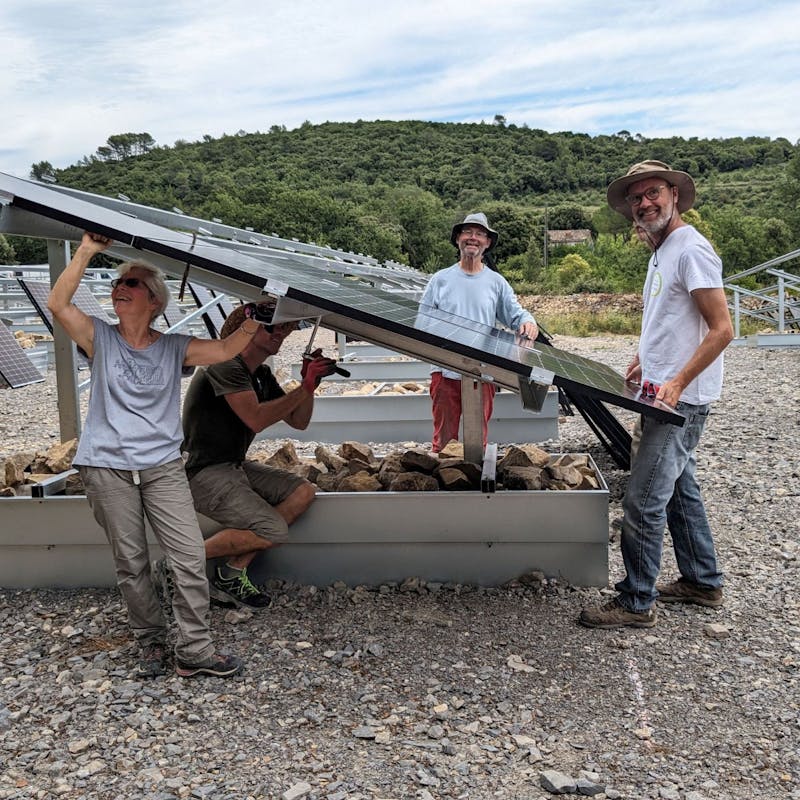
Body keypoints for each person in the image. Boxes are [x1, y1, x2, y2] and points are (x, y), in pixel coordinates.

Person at [47, 231, 266, 679]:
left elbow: (226, 349)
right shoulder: (99, 338)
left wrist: (253, 318)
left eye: (132, 283)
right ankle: (150, 641)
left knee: (187, 555)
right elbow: (58, 304)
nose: (120, 288)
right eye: (118, 283)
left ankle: (194, 650)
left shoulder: (173, 347)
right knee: (131, 562)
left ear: (154, 301)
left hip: (162, 467)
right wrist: (87, 250)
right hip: (106, 466)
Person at [580, 161, 734, 629]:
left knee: (643, 500)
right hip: (658, 392)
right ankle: (702, 581)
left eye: (653, 193)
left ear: (674, 194)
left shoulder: (692, 250)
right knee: (680, 492)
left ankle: (636, 601)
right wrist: (643, 360)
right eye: (636, 198)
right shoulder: (662, 252)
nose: (645, 203)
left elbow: (722, 329)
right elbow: (668, 321)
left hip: (677, 402)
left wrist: (679, 381)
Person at [174, 300, 337, 610]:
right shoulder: (225, 365)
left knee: (302, 492)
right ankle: (179, 563)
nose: (281, 333)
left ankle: (232, 573)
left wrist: (310, 385)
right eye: (272, 327)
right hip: (203, 472)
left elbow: (299, 421)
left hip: (233, 465)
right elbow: (256, 419)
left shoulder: (260, 373)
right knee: (272, 530)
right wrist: (304, 386)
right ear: (245, 330)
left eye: (285, 328)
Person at [418, 212, 538, 452]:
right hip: (445, 371)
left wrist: (528, 322)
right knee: (444, 441)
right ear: (458, 239)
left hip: (483, 373)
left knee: (477, 440)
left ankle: (475, 473)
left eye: (480, 234)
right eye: (467, 232)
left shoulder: (496, 282)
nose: (473, 238)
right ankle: (444, 474)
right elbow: (422, 322)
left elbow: (516, 314)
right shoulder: (440, 280)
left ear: (487, 242)